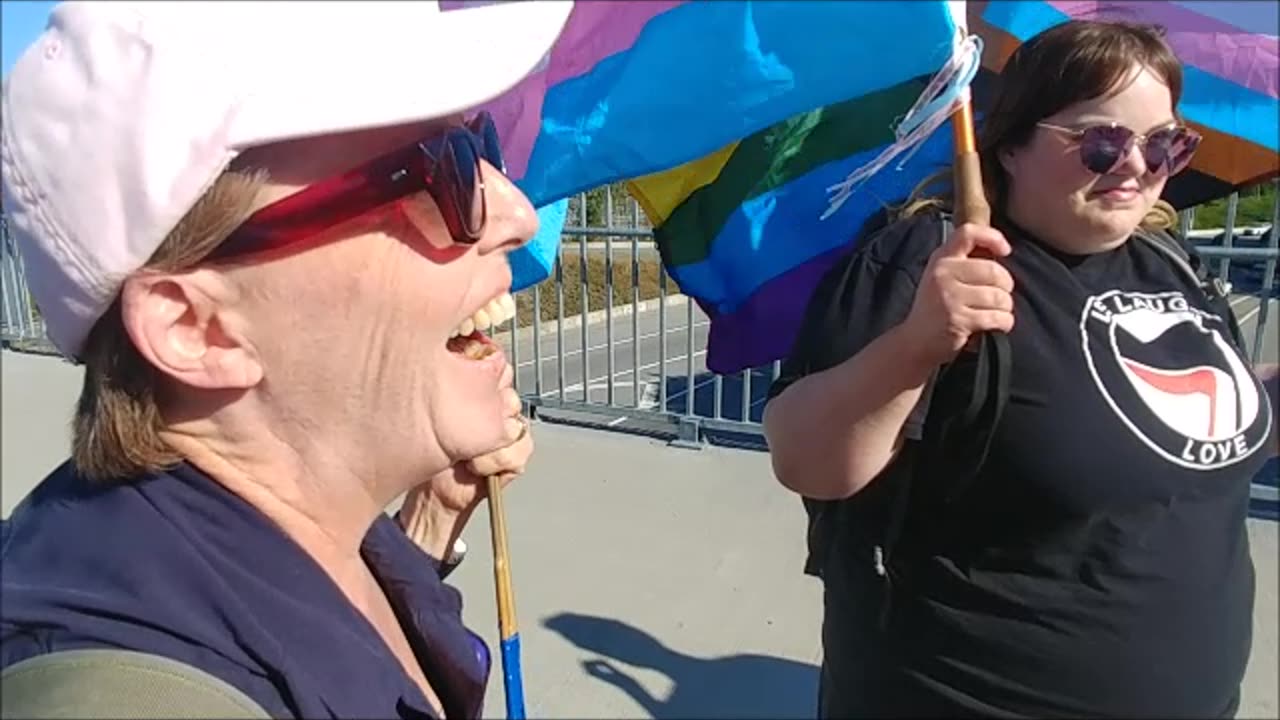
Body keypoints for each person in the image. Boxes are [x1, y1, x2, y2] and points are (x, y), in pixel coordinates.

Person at [0, 1, 572, 717]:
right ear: (198, 328)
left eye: (479, 144)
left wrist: (425, 531)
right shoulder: (129, 691)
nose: (518, 213)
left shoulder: (298, 521)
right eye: (441, 175)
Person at [762, 18, 1279, 719]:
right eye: (1101, 142)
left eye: (1164, 143)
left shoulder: (1168, 261)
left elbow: (1218, 419)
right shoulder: (931, 259)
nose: (1137, 166)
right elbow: (808, 461)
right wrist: (915, 344)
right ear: (1010, 146)